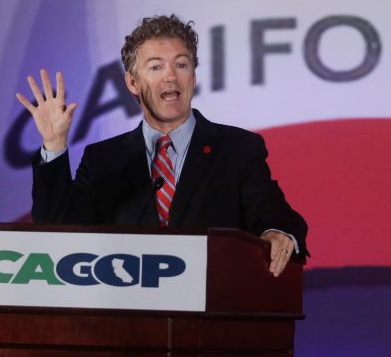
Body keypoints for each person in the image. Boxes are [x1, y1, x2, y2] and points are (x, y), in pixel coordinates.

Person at [16, 14, 308, 277]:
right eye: (155, 67)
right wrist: (54, 145)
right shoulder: (104, 159)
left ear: (193, 76)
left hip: (212, 318)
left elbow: (273, 210)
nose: (171, 76)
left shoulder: (237, 149)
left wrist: (278, 232)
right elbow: (57, 232)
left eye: (181, 64)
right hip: (127, 320)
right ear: (132, 82)